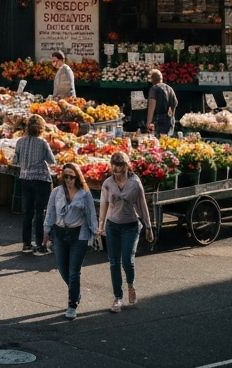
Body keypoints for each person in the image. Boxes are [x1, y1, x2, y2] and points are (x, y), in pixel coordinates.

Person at [97, 151, 154, 312]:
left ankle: (131, 285)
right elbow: (103, 204)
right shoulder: (108, 183)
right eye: (113, 164)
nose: (116, 168)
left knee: (127, 260)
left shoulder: (135, 183)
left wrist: (149, 227)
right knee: (114, 262)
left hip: (131, 226)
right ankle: (117, 297)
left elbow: (142, 205)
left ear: (126, 165)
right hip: (113, 226)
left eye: (119, 165)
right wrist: (100, 225)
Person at [43, 161, 98, 320]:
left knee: (74, 271)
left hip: (79, 234)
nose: (68, 180)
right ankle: (76, 292)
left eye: (71, 177)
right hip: (60, 233)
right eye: (65, 176)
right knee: (62, 268)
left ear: (78, 178)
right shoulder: (56, 192)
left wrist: (95, 234)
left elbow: (91, 215)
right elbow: (50, 213)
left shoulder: (84, 194)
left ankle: (72, 304)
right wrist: (46, 231)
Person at [13, 113, 55, 255]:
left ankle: (26, 243)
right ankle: (40, 244)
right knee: (40, 212)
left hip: (25, 179)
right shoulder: (43, 143)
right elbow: (51, 161)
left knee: (27, 212)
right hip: (41, 180)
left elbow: (15, 160)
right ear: (41, 128)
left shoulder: (20, 141)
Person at [145, 68, 178, 135]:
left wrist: (148, 122)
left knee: (158, 142)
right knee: (167, 141)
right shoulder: (169, 88)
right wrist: (171, 118)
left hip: (158, 120)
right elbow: (175, 103)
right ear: (161, 78)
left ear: (152, 79)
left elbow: (152, 105)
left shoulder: (154, 89)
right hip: (169, 120)